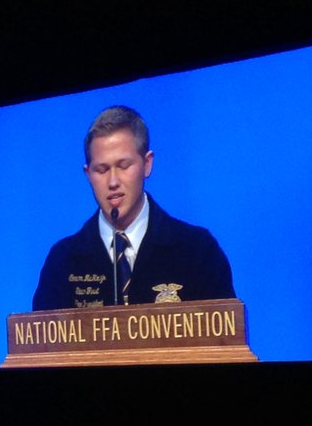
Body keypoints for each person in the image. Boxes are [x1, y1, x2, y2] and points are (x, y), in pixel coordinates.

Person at [31, 106, 235, 310]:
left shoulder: (197, 251)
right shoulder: (63, 261)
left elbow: (226, 335)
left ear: (147, 164)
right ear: (88, 175)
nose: (112, 182)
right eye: (101, 170)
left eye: (123, 166)